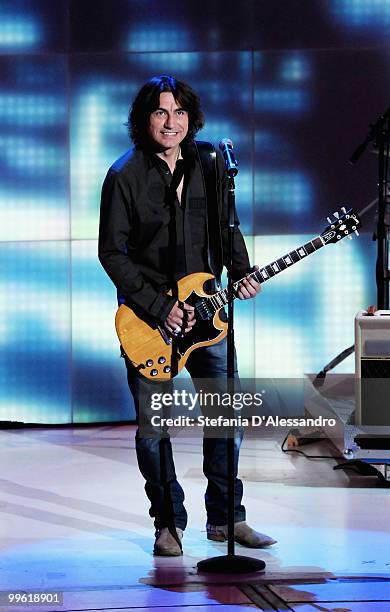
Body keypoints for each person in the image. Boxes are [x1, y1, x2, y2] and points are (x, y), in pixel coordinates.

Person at [98, 75, 276, 556]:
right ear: (144, 120)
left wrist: (241, 272)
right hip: (149, 320)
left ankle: (225, 518)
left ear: (190, 118)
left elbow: (226, 225)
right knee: (153, 431)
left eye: (178, 113)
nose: (171, 122)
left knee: (225, 420)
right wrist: (160, 307)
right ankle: (168, 523)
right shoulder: (124, 176)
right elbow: (112, 254)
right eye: (160, 112)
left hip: (209, 316)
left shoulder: (209, 163)